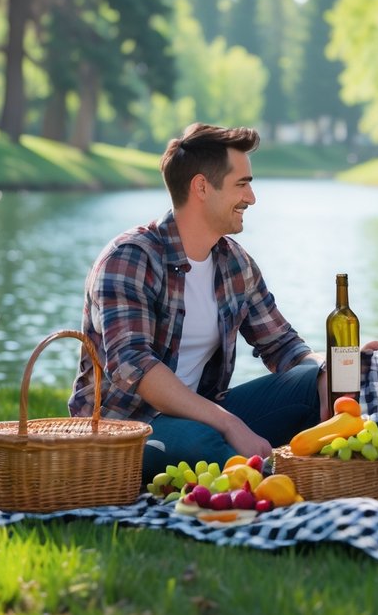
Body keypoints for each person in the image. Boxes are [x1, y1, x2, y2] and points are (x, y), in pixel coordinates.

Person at [68, 122, 327, 479]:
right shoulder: (129, 258)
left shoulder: (235, 262)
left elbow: (284, 347)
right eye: (242, 184)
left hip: (205, 415)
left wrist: (338, 364)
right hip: (123, 429)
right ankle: (268, 483)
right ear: (202, 187)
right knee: (201, 443)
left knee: (316, 382)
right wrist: (228, 423)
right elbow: (135, 366)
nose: (251, 198)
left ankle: (310, 474)